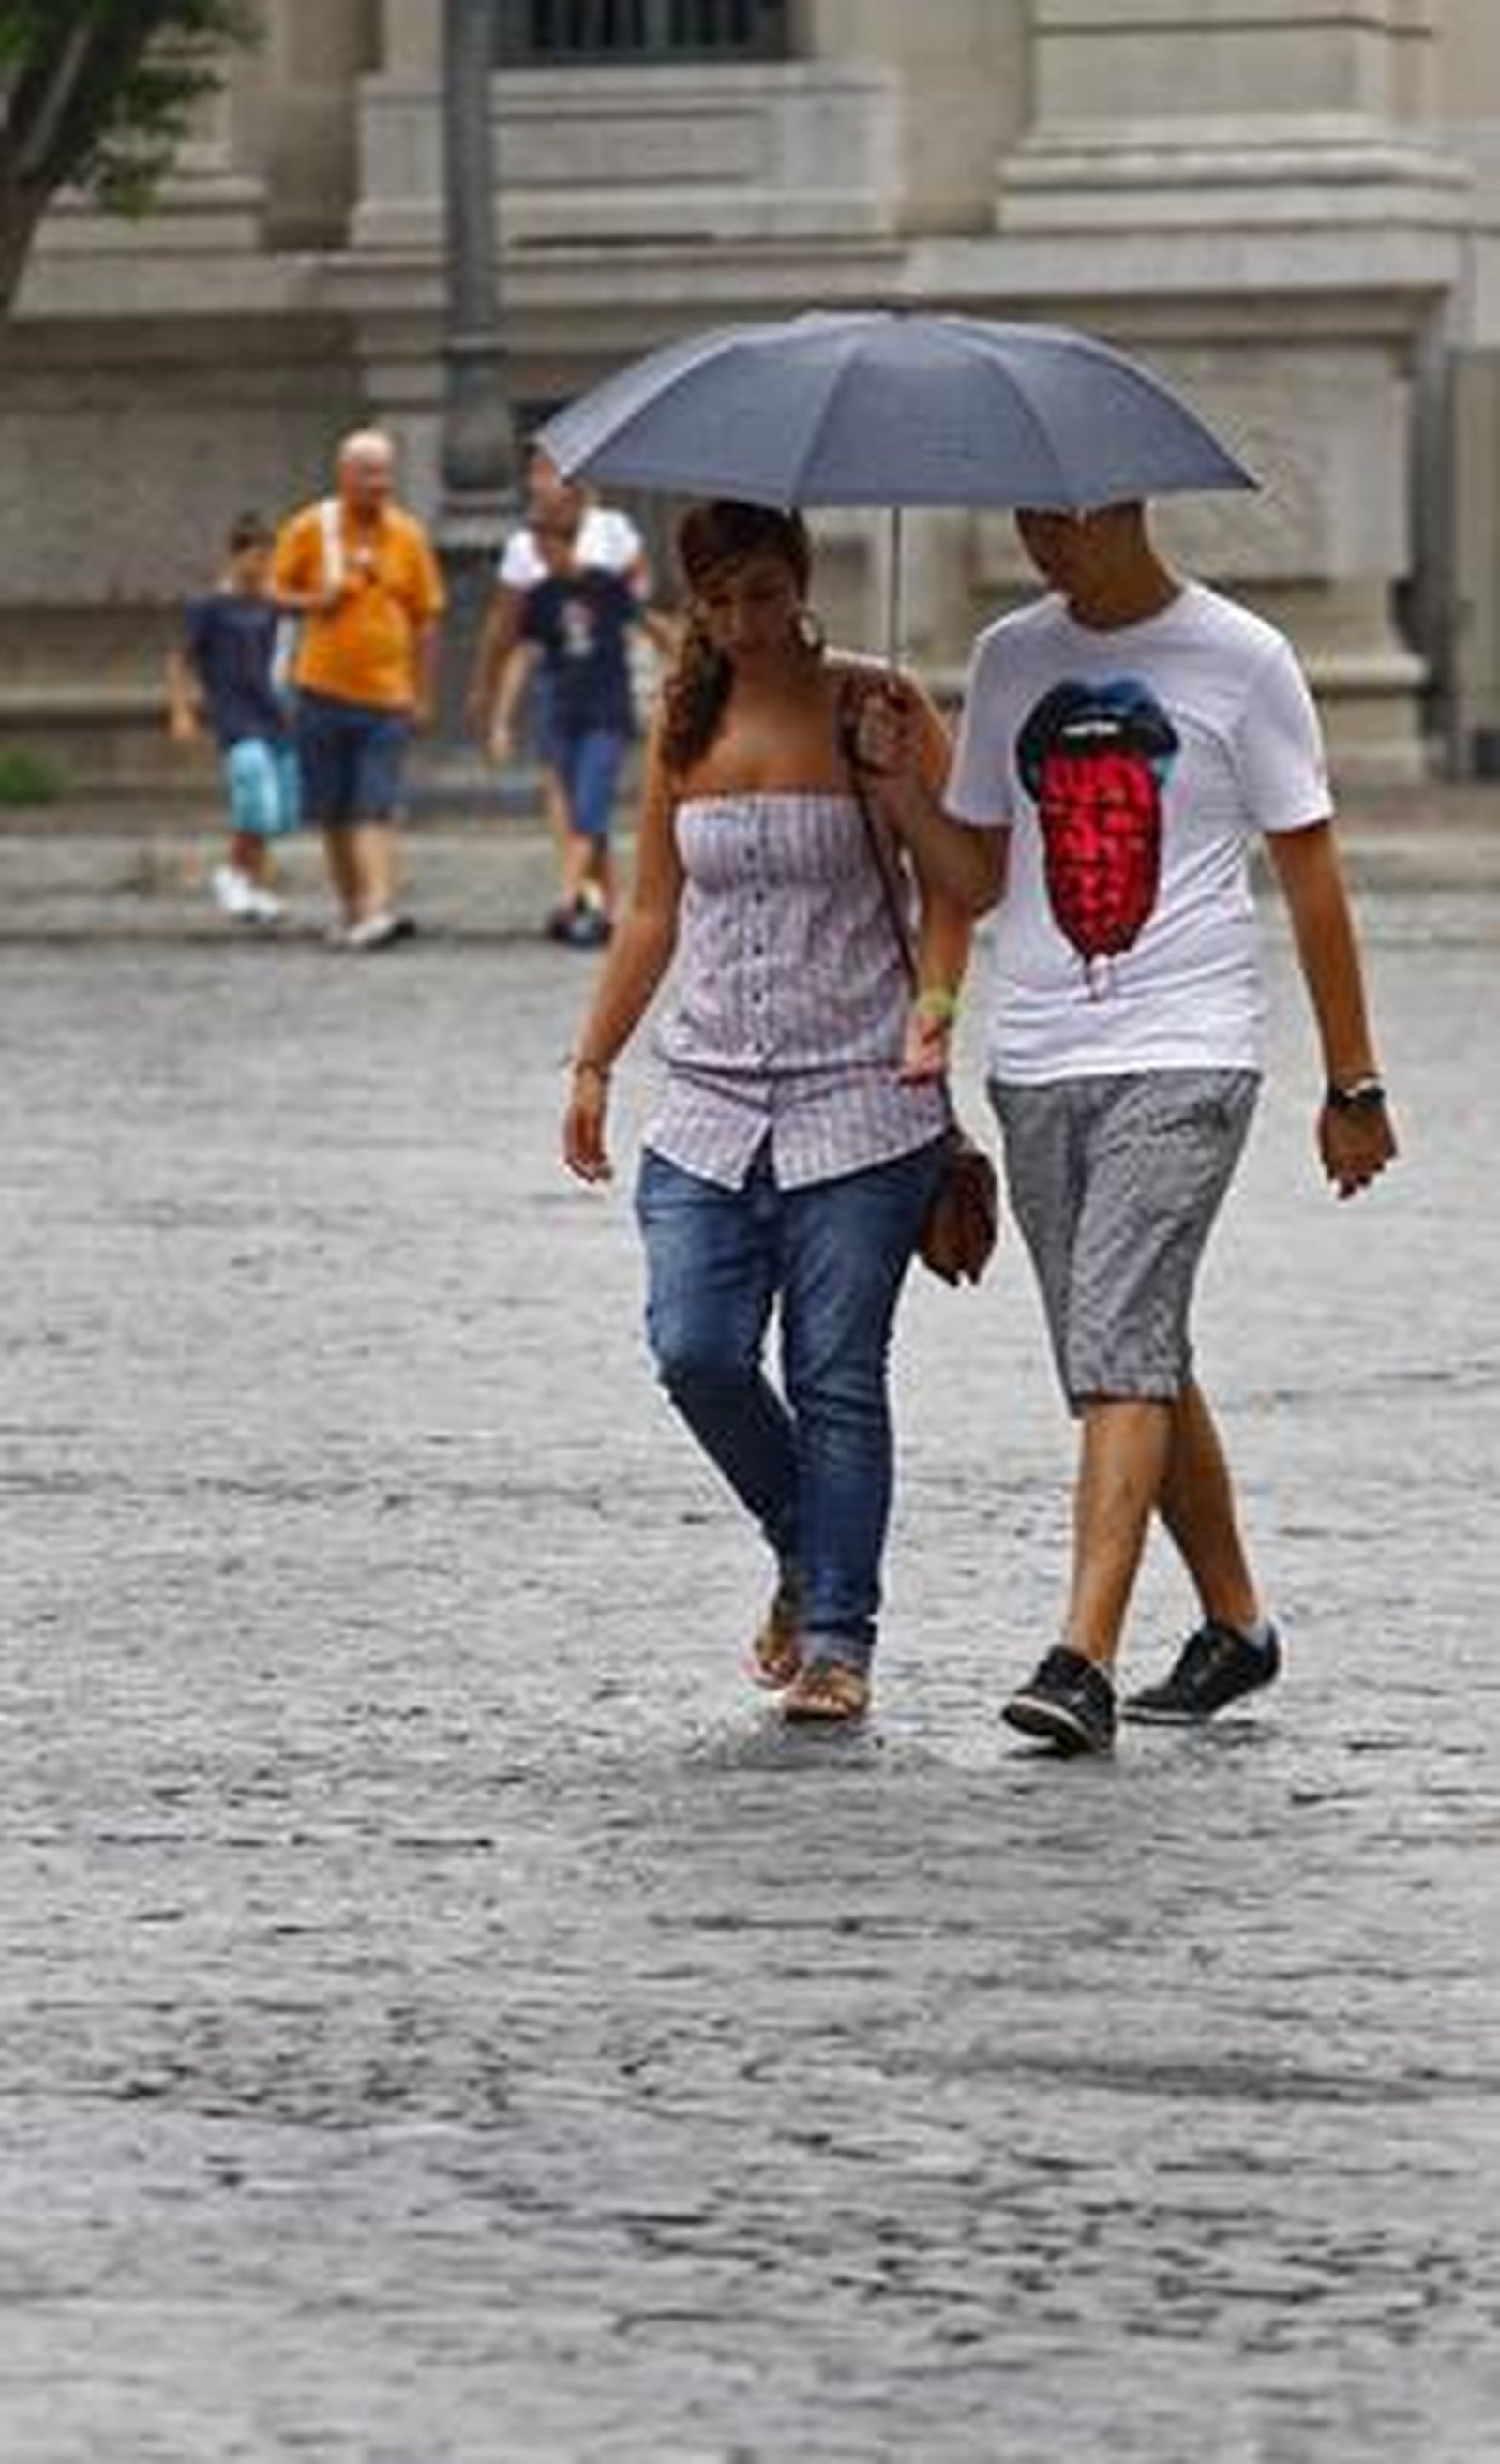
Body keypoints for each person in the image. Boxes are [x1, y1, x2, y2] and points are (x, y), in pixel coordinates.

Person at [850, 497, 1396, 1756]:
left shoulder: (1242, 658)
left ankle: (1079, 1660)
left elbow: (1312, 871)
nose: (1043, 539)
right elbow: (976, 873)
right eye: (1028, 517)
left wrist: (1352, 1081)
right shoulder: (1009, 658)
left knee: (1116, 1344)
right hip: (1039, 1061)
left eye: (1068, 517)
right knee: (1128, 1343)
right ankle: (1236, 1628)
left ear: (1133, 502)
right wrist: (903, 833)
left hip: (1190, 1049)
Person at [562, 499, 973, 1725]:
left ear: (802, 580)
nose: (744, 620)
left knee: (838, 1373)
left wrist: (938, 999)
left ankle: (840, 1637)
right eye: (720, 599)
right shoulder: (682, 723)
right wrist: (593, 1061)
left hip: (864, 1096)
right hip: (707, 1101)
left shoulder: (879, 704)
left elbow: (967, 882)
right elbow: (650, 910)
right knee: (695, 1350)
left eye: (762, 591)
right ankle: (804, 1539)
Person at [272, 428, 444, 951]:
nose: (380, 483)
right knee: (333, 811)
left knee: (375, 806)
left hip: (387, 697)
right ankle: (353, 909)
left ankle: (378, 908)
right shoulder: (311, 527)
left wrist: (423, 691)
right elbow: (274, 591)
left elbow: (427, 619)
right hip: (320, 689)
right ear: (343, 475)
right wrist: (317, 601)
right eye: (368, 472)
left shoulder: (407, 535)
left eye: (385, 472)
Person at [469, 450, 650, 936]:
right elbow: (510, 632)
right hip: (559, 686)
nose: (547, 482)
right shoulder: (525, 549)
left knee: (589, 802)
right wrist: (489, 694)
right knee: (569, 799)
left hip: (606, 682)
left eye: (556, 471)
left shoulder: (611, 530)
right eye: (539, 471)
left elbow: (641, 604)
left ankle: (574, 897)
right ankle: (602, 902)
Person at [490, 504, 673, 947]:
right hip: (561, 715)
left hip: (606, 713)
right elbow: (523, 654)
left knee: (589, 809)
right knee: (581, 815)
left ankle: (570, 898)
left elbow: (650, 626)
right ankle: (609, 908)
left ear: (566, 543)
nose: (540, 555)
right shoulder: (541, 596)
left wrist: (682, 667)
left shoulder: (605, 586)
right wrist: (502, 718)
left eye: (546, 546)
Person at [166, 511, 298, 924]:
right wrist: (182, 709)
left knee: (276, 811)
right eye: (256, 559)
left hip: (272, 711)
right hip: (235, 715)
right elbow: (180, 659)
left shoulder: (272, 605)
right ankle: (231, 874)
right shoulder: (211, 607)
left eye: (268, 559)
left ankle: (252, 883)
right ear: (236, 557)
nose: (262, 568)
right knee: (254, 795)